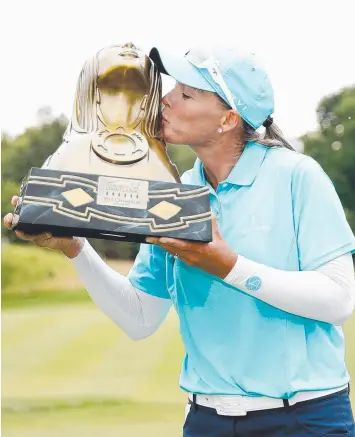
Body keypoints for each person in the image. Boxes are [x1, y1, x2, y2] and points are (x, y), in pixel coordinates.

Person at [4, 44, 355, 437]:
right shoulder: (174, 193)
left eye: (186, 94)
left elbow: (339, 299)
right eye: (171, 89)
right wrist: (76, 249)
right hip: (206, 421)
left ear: (227, 119)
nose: (164, 100)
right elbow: (140, 318)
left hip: (304, 419)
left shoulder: (297, 176)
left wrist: (228, 266)